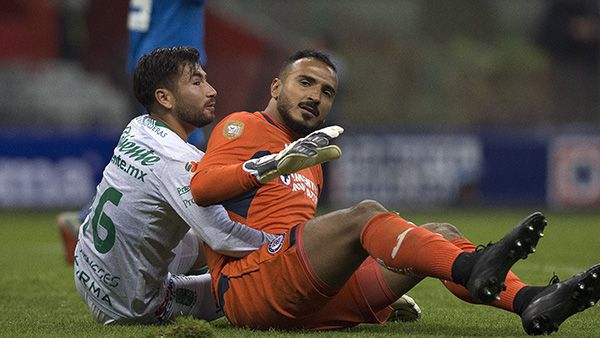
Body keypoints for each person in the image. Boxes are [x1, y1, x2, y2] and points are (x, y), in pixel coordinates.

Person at [189, 49, 600, 335]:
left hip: (300, 293)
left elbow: (293, 233)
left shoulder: (311, 159)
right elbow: (201, 190)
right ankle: (470, 269)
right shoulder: (242, 126)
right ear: (277, 87)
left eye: (327, 91)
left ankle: (529, 300)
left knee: (441, 234)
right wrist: (265, 167)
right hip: (250, 289)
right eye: (305, 83)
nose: (315, 96)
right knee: (367, 214)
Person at [74, 46, 275, 324]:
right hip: (130, 305)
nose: (212, 90)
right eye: (197, 82)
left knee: (198, 232)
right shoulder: (179, 161)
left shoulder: (138, 126)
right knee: (251, 281)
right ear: (164, 98)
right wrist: (283, 245)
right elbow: (223, 236)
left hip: (86, 270)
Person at [56, 0, 210, 265]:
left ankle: (87, 218)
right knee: (188, 149)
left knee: (152, 151)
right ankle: (86, 220)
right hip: (173, 64)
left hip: (146, 60)